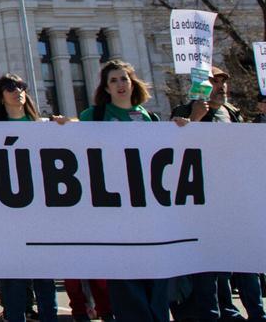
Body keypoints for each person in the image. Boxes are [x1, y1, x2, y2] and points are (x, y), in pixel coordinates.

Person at [77, 60, 169, 320]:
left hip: (148, 208)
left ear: (133, 83)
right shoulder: (92, 117)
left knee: (155, 274)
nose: (120, 85)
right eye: (113, 80)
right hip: (114, 208)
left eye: (124, 79)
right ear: (106, 88)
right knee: (126, 275)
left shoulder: (150, 118)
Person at [169, 66, 262, 321]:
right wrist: (195, 120)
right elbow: (173, 152)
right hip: (204, 201)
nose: (221, 87)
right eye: (214, 82)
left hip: (235, 197)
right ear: (201, 85)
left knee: (246, 261)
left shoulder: (232, 112)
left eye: (223, 82)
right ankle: (215, 313)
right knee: (212, 266)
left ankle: (256, 312)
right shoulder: (185, 112)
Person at [0, 74, 58, 320]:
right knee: (13, 278)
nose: (17, 91)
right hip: (7, 213)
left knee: (44, 276)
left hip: (39, 212)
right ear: (0, 96)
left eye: (21, 86)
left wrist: (64, 126)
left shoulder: (42, 125)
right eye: (10, 87)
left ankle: (48, 316)